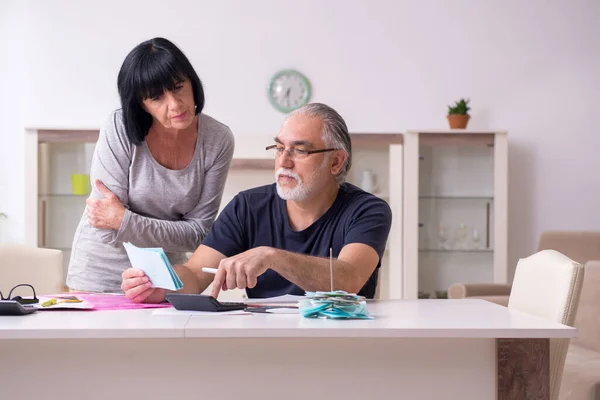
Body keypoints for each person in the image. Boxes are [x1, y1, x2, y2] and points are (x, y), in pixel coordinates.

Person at [122, 103, 392, 303]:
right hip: (265, 345)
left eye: (299, 150)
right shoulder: (247, 207)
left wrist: (271, 257)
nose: (284, 161)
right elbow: (194, 273)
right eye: (279, 148)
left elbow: (348, 279)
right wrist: (161, 285)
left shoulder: (368, 211)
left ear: (335, 162)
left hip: (343, 345)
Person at [66, 37, 235, 293]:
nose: (175, 104)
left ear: (192, 82)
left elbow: (199, 235)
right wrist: (172, 230)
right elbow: (105, 230)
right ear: (141, 105)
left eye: (178, 87)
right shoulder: (119, 128)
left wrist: (124, 221)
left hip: (162, 280)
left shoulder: (218, 139)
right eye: (156, 98)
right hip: (98, 275)